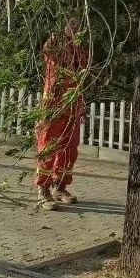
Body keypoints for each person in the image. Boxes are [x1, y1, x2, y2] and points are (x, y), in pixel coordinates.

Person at [34, 18, 89, 210]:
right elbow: (48, 51)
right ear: (64, 26)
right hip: (53, 105)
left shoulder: (82, 50)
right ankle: (43, 189)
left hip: (73, 105)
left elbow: (84, 75)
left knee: (69, 149)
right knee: (49, 146)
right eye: (72, 24)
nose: (76, 28)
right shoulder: (55, 43)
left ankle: (60, 186)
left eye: (79, 25)